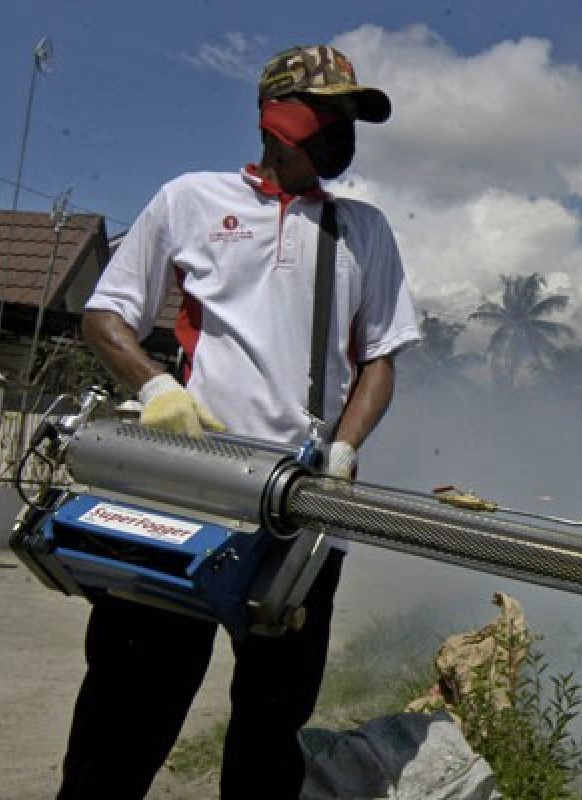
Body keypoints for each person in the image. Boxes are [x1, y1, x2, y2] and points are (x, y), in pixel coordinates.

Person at [57, 44, 420, 800]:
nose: (343, 133)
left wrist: (344, 452)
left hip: (305, 516)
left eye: (351, 118)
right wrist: (157, 389)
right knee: (125, 720)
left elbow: (380, 361)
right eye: (333, 113)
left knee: (269, 734)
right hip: (186, 497)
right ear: (279, 116)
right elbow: (105, 316)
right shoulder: (191, 198)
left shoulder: (364, 230)